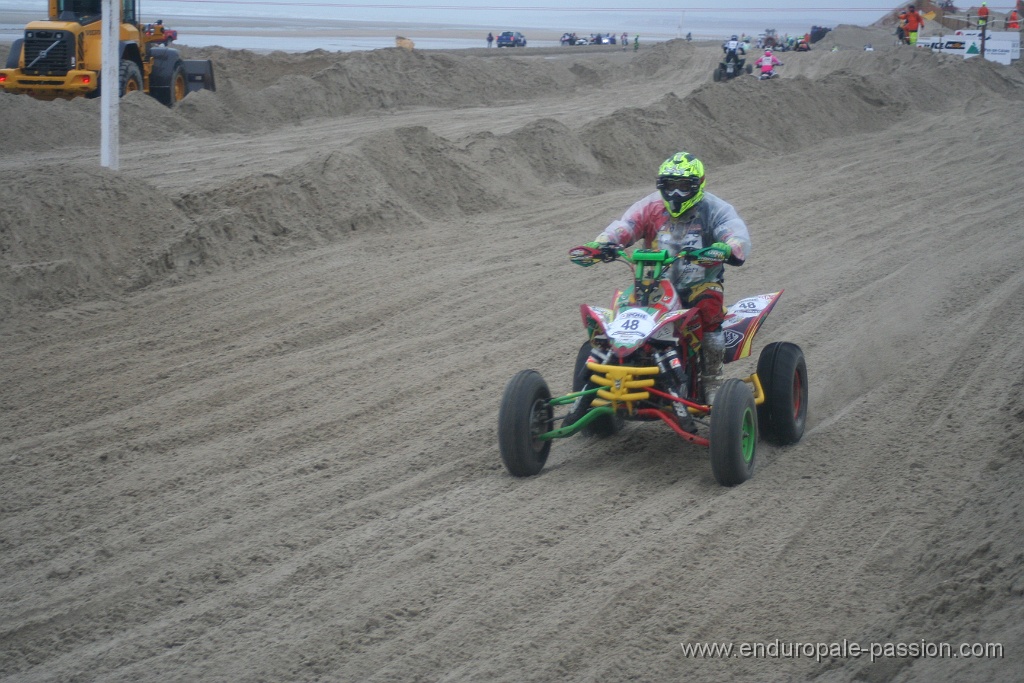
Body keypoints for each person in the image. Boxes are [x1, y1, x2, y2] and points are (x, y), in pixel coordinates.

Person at [569, 152, 751, 405]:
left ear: (698, 184)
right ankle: (610, 370)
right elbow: (625, 227)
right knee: (618, 314)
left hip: (699, 286)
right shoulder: (651, 206)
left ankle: (712, 379)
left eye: (683, 186)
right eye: (670, 186)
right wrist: (602, 243)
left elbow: (736, 234)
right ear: (661, 186)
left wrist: (727, 247)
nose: (676, 194)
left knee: (710, 311)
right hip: (654, 286)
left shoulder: (715, 209)